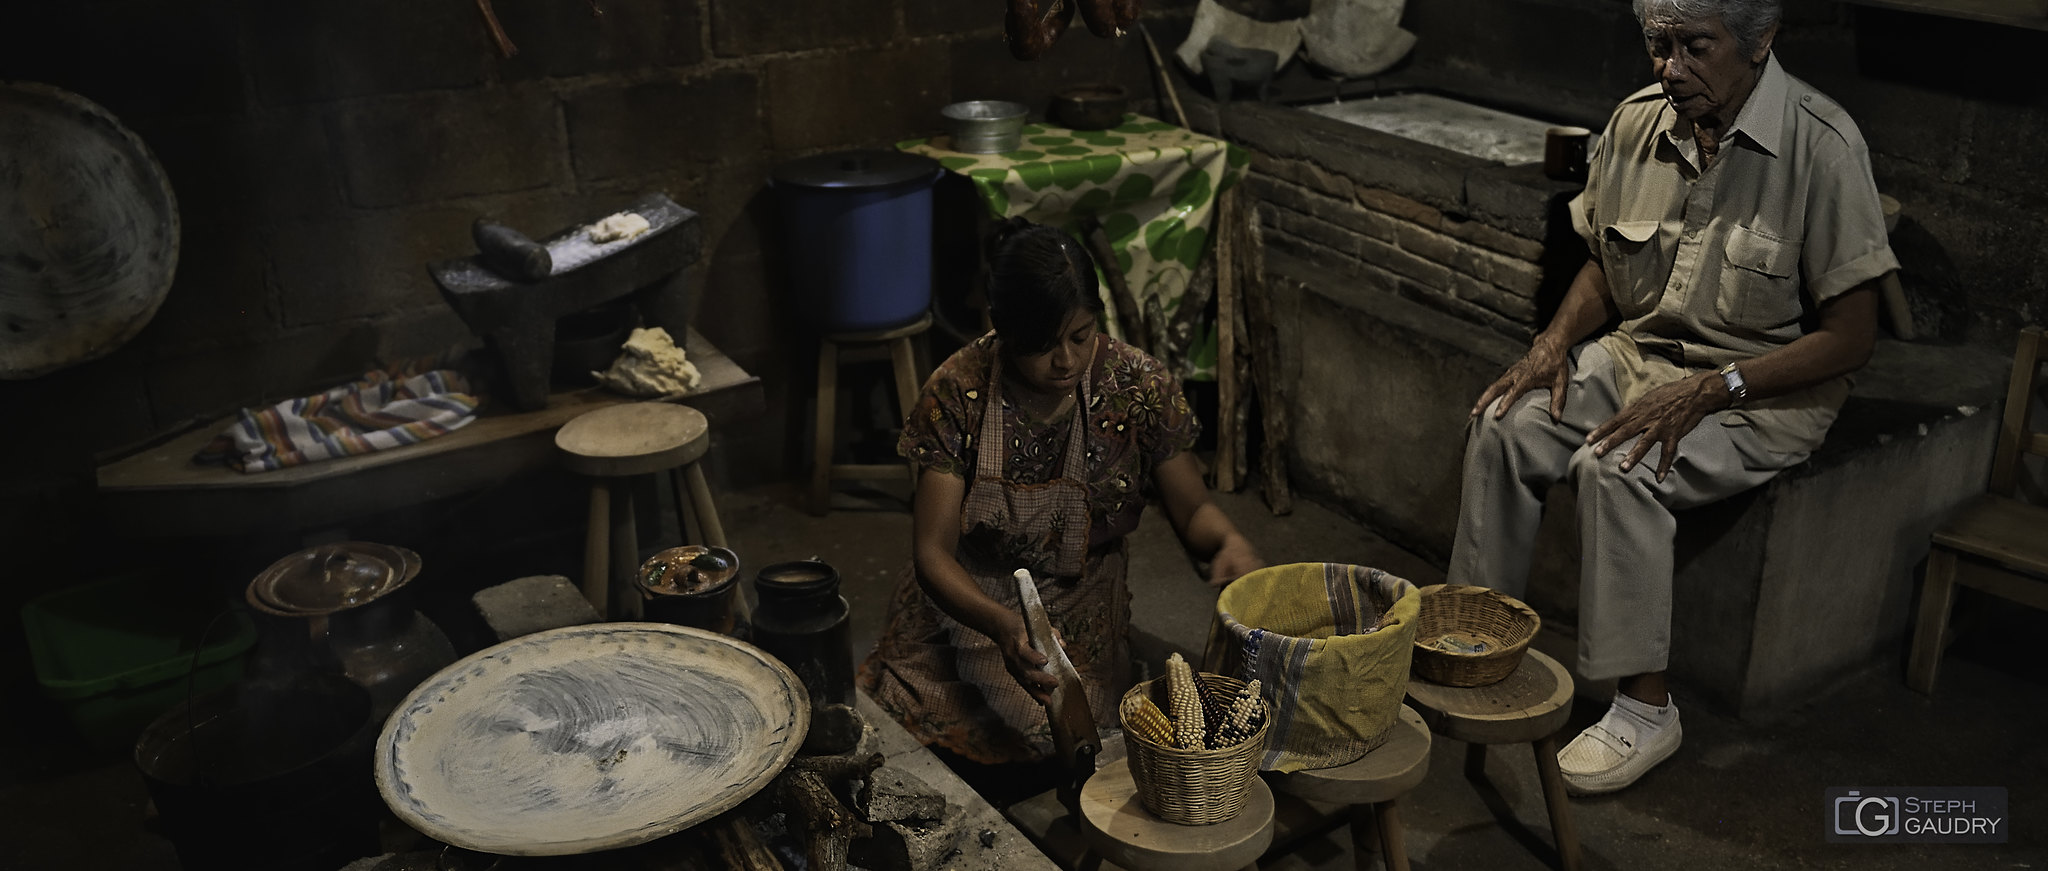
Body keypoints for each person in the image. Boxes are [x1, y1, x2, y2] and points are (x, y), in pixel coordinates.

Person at [1449, 0, 1896, 795]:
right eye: (1658, 45)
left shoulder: (1822, 146)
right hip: (1639, 357)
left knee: (1619, 467)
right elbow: (1599, 261)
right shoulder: (1635, 125)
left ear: (1760, 42)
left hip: (1759, 393)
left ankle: (1644, 708)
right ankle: (1481, 637)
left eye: (1695, 46)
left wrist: (1715, 386)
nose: (1670, 66)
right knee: (1505, 421)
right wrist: (1552, 342)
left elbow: (1853, 338)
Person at [858, 217, 1264, 775]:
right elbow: (932, 552)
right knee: (938, 730)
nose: (1066, 361)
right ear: (1002, 330)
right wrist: (1000, 623)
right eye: (1042, 346)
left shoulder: (1136, 386)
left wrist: (1228, 540)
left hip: (1081, 599)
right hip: (973, 600)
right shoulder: (958, 390)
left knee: (1071, 727)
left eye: (1080, 336)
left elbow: (1192, 508)